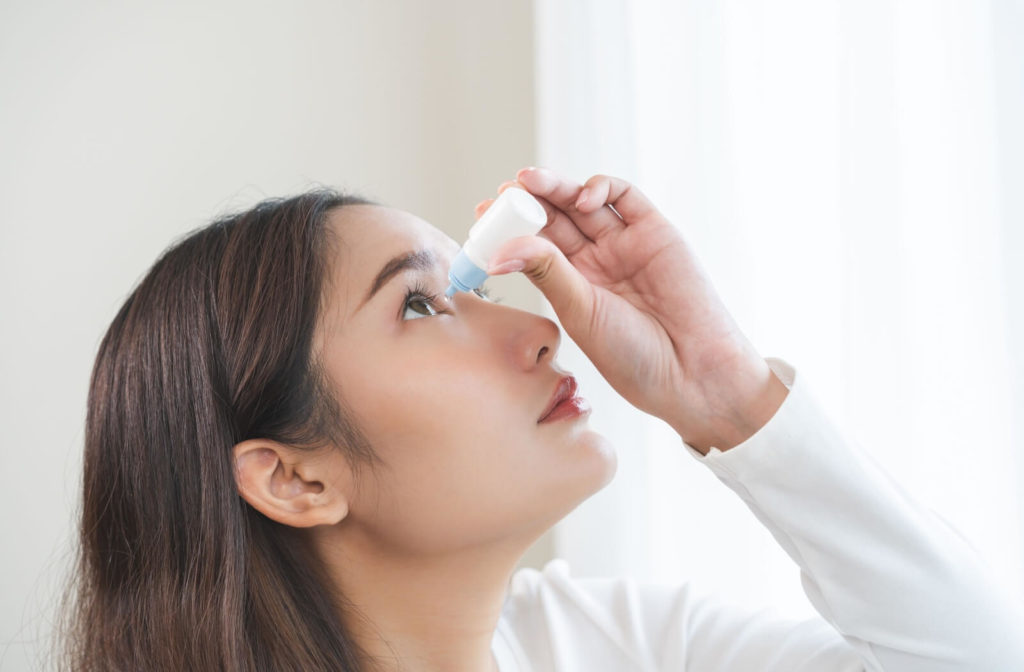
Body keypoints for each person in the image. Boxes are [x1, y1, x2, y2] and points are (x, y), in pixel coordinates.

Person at [62, 166, 1024, 672]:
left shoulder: (617, 642)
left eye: (469, 283)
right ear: (295, 478)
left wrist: (728, 396)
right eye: (421, 306)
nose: (542, 332)